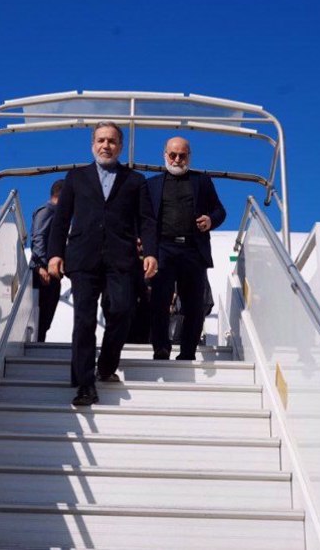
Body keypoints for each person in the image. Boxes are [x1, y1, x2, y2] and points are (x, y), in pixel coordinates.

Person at [48, 121, 158, 406]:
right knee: (83, 320)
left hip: (121, 259)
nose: (105, 145)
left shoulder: (135, 181)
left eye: (111, 141)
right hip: (83, 257)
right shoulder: (76, 177)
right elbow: (61, 219)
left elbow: (146, 220)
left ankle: (107, 365)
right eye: (100, 140)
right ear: (92, 144)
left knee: (122, 310)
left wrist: (151, 252)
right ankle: (85, 384)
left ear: (119, 147)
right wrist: (55, 254)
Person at [147, 137, 225, 360]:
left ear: (189, 156)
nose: (177, 159)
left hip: (193, 249)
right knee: (160, 301)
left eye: (182, 155)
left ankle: (188, 351)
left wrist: (211, 220)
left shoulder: (202, 181)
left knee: (193, 304)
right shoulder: (151, 184)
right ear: (165, 155)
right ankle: (161, 348)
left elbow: (220, 210)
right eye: (173, 155)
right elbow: (144, 218)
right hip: (163, 248)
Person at [29, 179, 64, 342]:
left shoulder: (58, 214)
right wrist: (41, 266)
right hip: (44, 272)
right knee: (42, 315)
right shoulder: (47, 211)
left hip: (53, 272)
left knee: (47, 316)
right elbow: (39, 238)